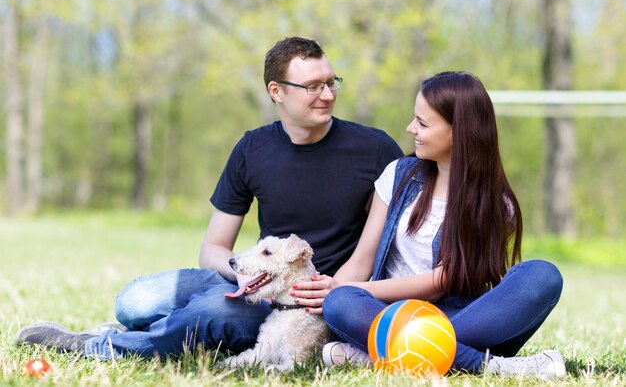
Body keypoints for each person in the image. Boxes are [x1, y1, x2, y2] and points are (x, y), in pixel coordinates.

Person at [14, 37, 403, 358]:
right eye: (313, 87)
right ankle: (163, 328)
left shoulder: (374, 150)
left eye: (331, 82)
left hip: (312, 304)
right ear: (276, 92)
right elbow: (214, 248)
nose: (327, 95)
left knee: (210, 312)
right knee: (134, 301)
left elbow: (375, 251)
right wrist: (252, 280)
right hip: (256, 284)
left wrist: (332, 289)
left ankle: (97, 346)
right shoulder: (252, 149)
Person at [290, 71, 566, 379]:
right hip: (384, 312)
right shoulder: (398, 175)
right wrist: (334, 289)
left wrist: (354, 288)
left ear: (458, 132)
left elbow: (441, 281)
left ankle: (383, 353)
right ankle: (490, 366)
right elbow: (362, 260)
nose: (410, 129)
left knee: (543, 275)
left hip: (459, 317)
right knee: (341, 302)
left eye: (422, 123)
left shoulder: (496, 204)